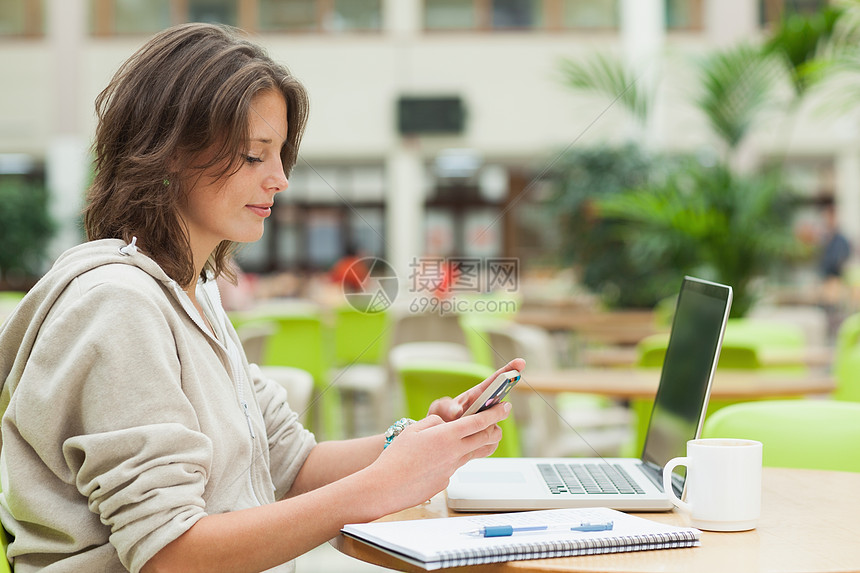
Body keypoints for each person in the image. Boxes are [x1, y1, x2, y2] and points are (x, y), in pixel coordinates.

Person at [0, 23, 521, 573]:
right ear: (168, 153)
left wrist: (416, 444)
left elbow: (289, 463)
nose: (279, 179)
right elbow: (169, 556)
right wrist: (384, 485)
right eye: (254, 155)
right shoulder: (116, 305)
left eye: (280, 157)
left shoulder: (193, 294)